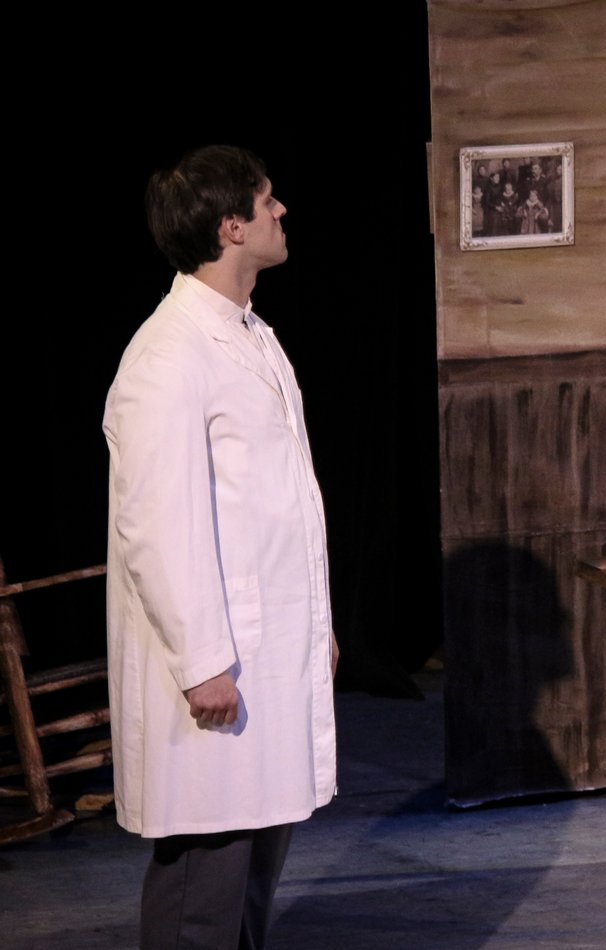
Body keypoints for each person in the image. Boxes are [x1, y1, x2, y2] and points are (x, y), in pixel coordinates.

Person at [104, 145, 338, 947]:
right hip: (216, 665)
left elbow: (282, 503)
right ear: (231, 226)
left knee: (254, 862)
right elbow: (155, 523)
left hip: (264, 649)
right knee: (206, 874)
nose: (281, 211)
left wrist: (317, 628)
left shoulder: (252, 335)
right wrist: (201, 658)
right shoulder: (168, 356)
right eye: (268, 201)